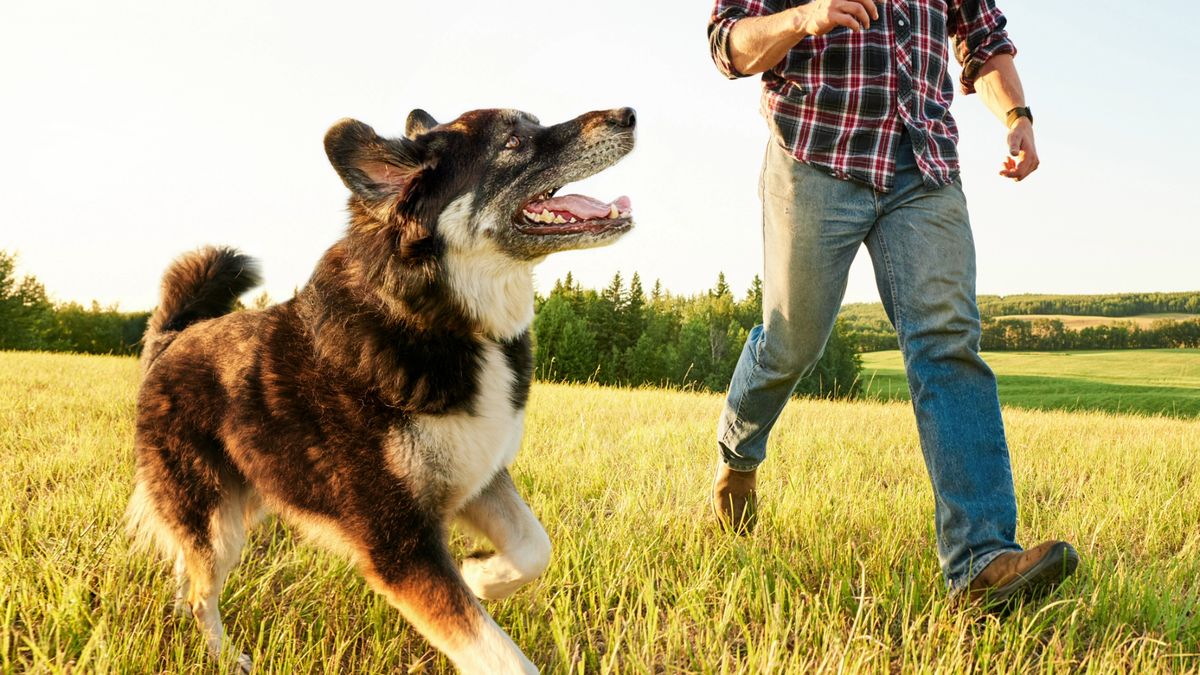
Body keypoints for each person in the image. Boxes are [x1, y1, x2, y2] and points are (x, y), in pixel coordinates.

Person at [706, 0, 1078, 604]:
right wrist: (805, 17)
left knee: (947, 341)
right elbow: (728, 45)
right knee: (792, 341)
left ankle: (981, 559)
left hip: (923, 165)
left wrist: (1017, 114)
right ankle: (738, 452)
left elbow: (983, 37)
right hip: (815, 156)